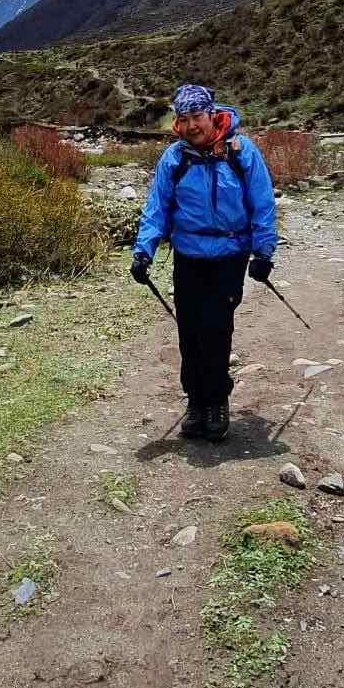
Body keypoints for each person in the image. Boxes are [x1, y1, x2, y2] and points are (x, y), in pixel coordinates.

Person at [131, 84, 279, 442]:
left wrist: (263, 253)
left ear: (212, 115)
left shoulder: (241, 152)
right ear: (178, 123)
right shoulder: (174, 159)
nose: (192, 125)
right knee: (190, 330)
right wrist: (143, 250)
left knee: (215, 329)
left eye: (197, 116)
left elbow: (262, 203)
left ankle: (216, 402)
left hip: (229, 255)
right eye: (184, 119)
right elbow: (157, 208)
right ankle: (195, 401)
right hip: (188, 255)